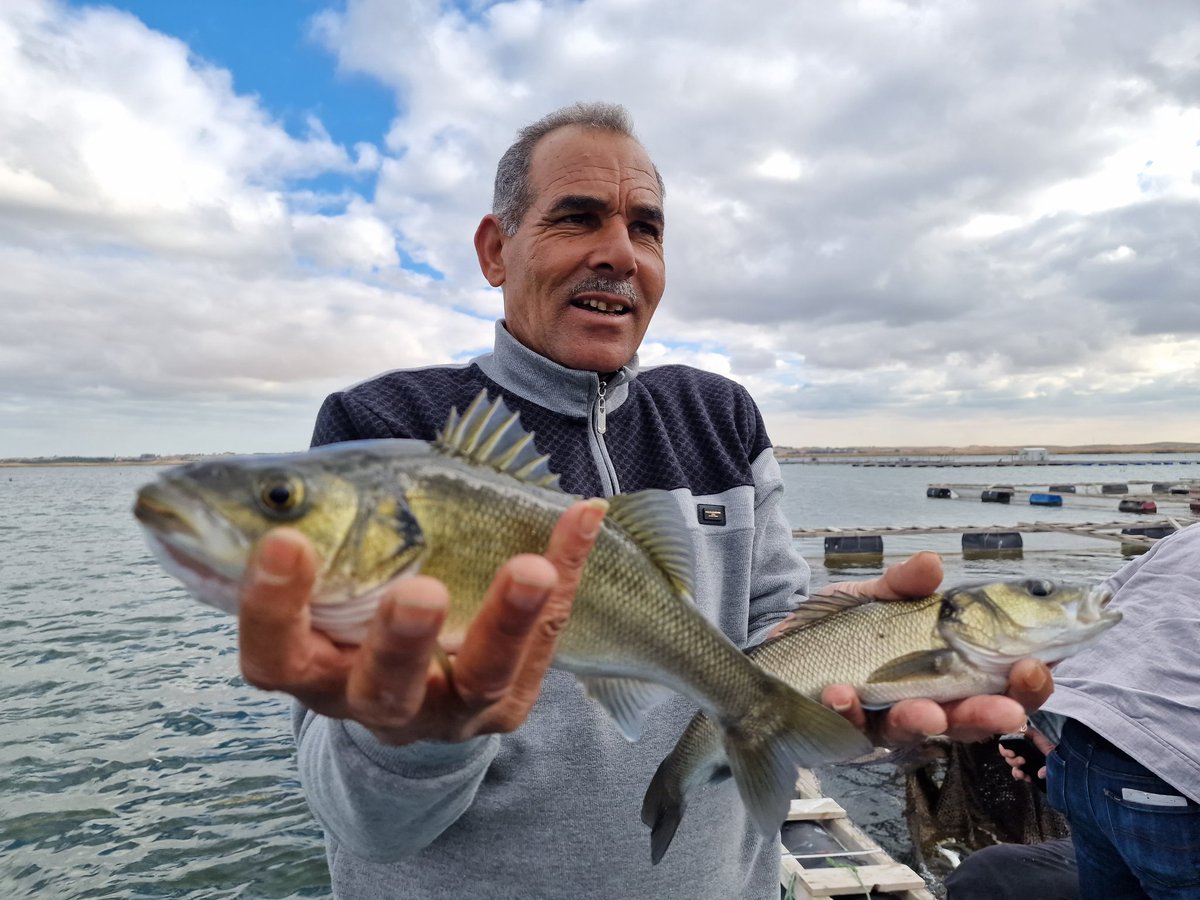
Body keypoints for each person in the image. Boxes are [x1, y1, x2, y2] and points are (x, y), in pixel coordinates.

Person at [235, 102, 1051, 897]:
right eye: (578, 218)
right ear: (496, 250)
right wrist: (415, 737)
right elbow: (360, 819)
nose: (619, 254)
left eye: (646, 228)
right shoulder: (385, 432)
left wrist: (851, 650)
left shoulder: (718, 415)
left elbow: (769, 630)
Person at [946, 522, 1200, 900]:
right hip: (1171, 770)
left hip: (1077, 751)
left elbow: (1082, 613)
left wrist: (1046, 719)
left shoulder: (1188, 537)